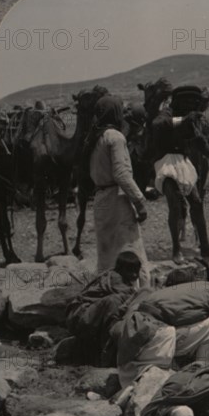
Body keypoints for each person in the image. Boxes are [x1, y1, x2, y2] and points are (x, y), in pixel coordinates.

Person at [116, 280, 209, 388]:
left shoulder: (204, 286)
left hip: (135, 335)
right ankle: (201, 371)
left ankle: (198, 368)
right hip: (152, 338)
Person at [151, 86, 209, 264]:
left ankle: (205, 245)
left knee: (197, 203)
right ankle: (176, 249)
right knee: (175, 206)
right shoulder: (169, 113)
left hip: (183, 162)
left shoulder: (190, 117)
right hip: (166, 163)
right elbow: (157, 124)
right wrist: (182, 119)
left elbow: (200, 143)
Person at [85, 95, 151, 286]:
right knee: (133, 252)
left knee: (106, 257)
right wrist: (140, 202)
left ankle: (107, 295)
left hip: (101, 200)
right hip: (117, 202)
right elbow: (122, 174)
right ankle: (141, 298)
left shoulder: (95, 137)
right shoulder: (116, 137)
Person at [65, 251, 142, 366]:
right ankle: (107, 355)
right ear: (121, 269)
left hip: (86, 316)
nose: (135, 275)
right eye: (131, 271)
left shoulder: (117, 276)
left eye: (137, 271)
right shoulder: (116, 278)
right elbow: (132, 296)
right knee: (115, 302)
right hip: (79, 317)